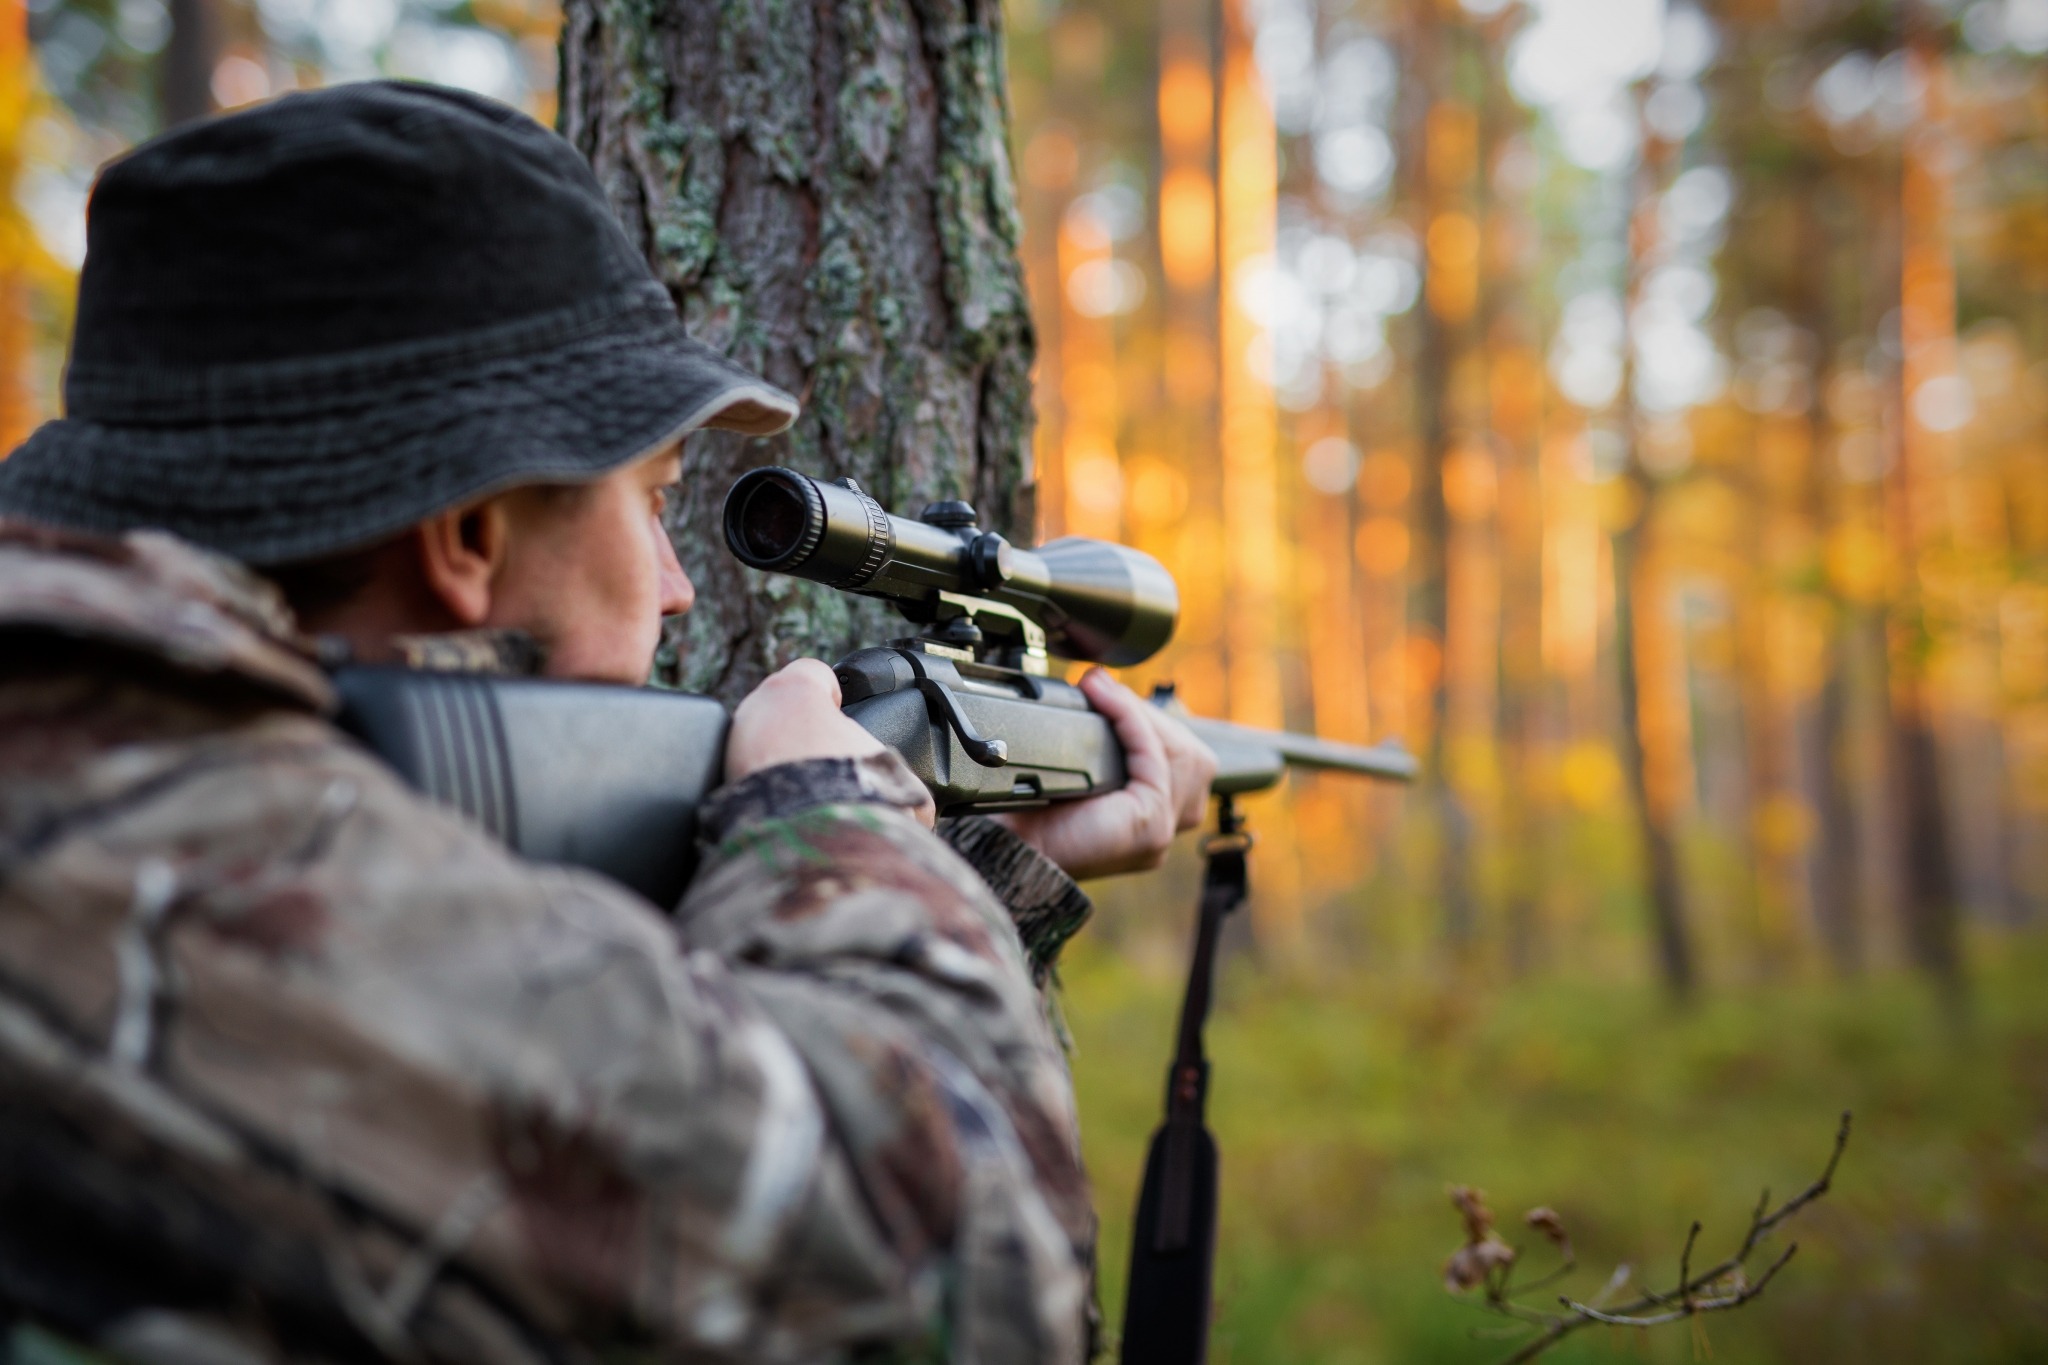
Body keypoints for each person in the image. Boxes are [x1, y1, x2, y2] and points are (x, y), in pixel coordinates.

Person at [0, 82, 1214, 1364]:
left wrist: (958, 869)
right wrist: (829, 820)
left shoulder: (110, 768)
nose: (681, 584)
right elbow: (944, 1282)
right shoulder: (189, 858)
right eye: (650, 502)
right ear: (468, 539)